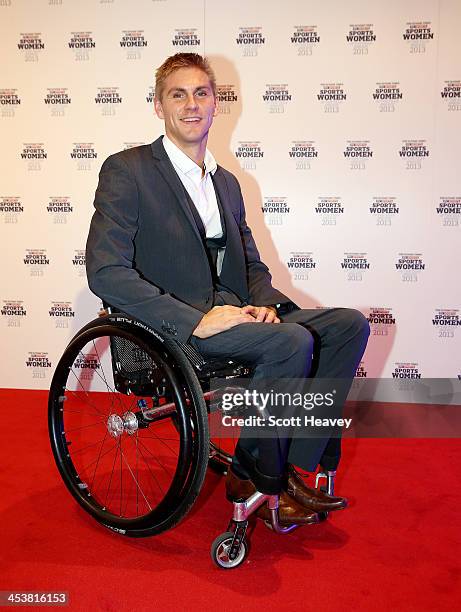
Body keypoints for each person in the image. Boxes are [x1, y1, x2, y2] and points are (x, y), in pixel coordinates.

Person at [86, 53, 370, 526]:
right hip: (175, 326)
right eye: (178, 94)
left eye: (202, 93)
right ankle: (252, 473)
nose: (191, 104)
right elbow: (105, 271)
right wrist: (197, 319)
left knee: (347, 326)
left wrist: (267, 306)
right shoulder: (129, 171)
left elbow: (252, 265)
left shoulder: (228, 184)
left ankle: (288, 470)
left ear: (217, 103)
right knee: (292, 344)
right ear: (159, 106)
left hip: (237, 315)